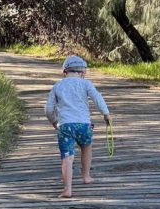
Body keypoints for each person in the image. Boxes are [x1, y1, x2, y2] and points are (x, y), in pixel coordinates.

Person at [45, 56, 112, 195]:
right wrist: (106, 114)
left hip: (65, 126)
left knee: (67, 156)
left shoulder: (57, 86)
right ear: (82, 72)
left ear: (65, 72)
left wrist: (54, 121)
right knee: (86, 147)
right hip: (84, 125)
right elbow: (97, 98)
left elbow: (49, 109)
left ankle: (67, 189)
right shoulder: (86, 84)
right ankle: (86, 176)